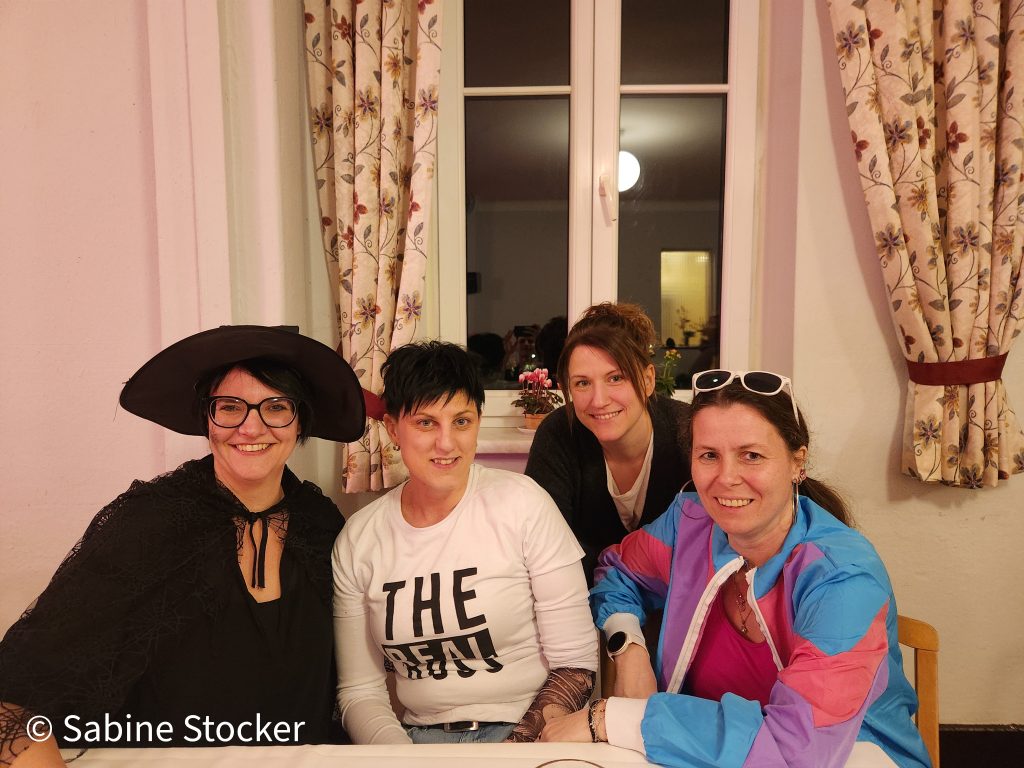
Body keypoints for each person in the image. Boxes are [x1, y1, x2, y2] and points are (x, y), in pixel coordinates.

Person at [0, 325, 366, 766]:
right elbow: (17, 690)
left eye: (276, 407)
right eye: (229, 407)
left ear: (300, 420)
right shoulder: (149, 523)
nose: (251, 427)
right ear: (206, 418)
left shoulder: (322, 524)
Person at [540, 370, 931, 768]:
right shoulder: (689, 524)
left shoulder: (843, 577)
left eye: (751, 455)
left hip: (851, 758)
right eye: (709, 455)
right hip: (704, 757)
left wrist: (611, 718)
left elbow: (796, 749)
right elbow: (616, 572)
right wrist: (629, 647)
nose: (726, 478)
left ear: (797, 461)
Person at [333, 341, 598, 744]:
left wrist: (513, 751)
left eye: (461, 421)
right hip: (416, 742)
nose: (447, 443)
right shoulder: (359, 539)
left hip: (528, 735)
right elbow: (360, 691)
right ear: (392, 429)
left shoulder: (524, 504)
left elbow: (575, 662)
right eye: (426, 423)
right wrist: (401, 758)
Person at [525, 303, 691, 583]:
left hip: (679, 601)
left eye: (615, 378)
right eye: (582, 383)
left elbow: (712, 548)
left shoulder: (689, 432)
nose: (599, 400)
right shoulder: (557, 434)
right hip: (582, 599)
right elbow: (544, 550)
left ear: (648, 380)